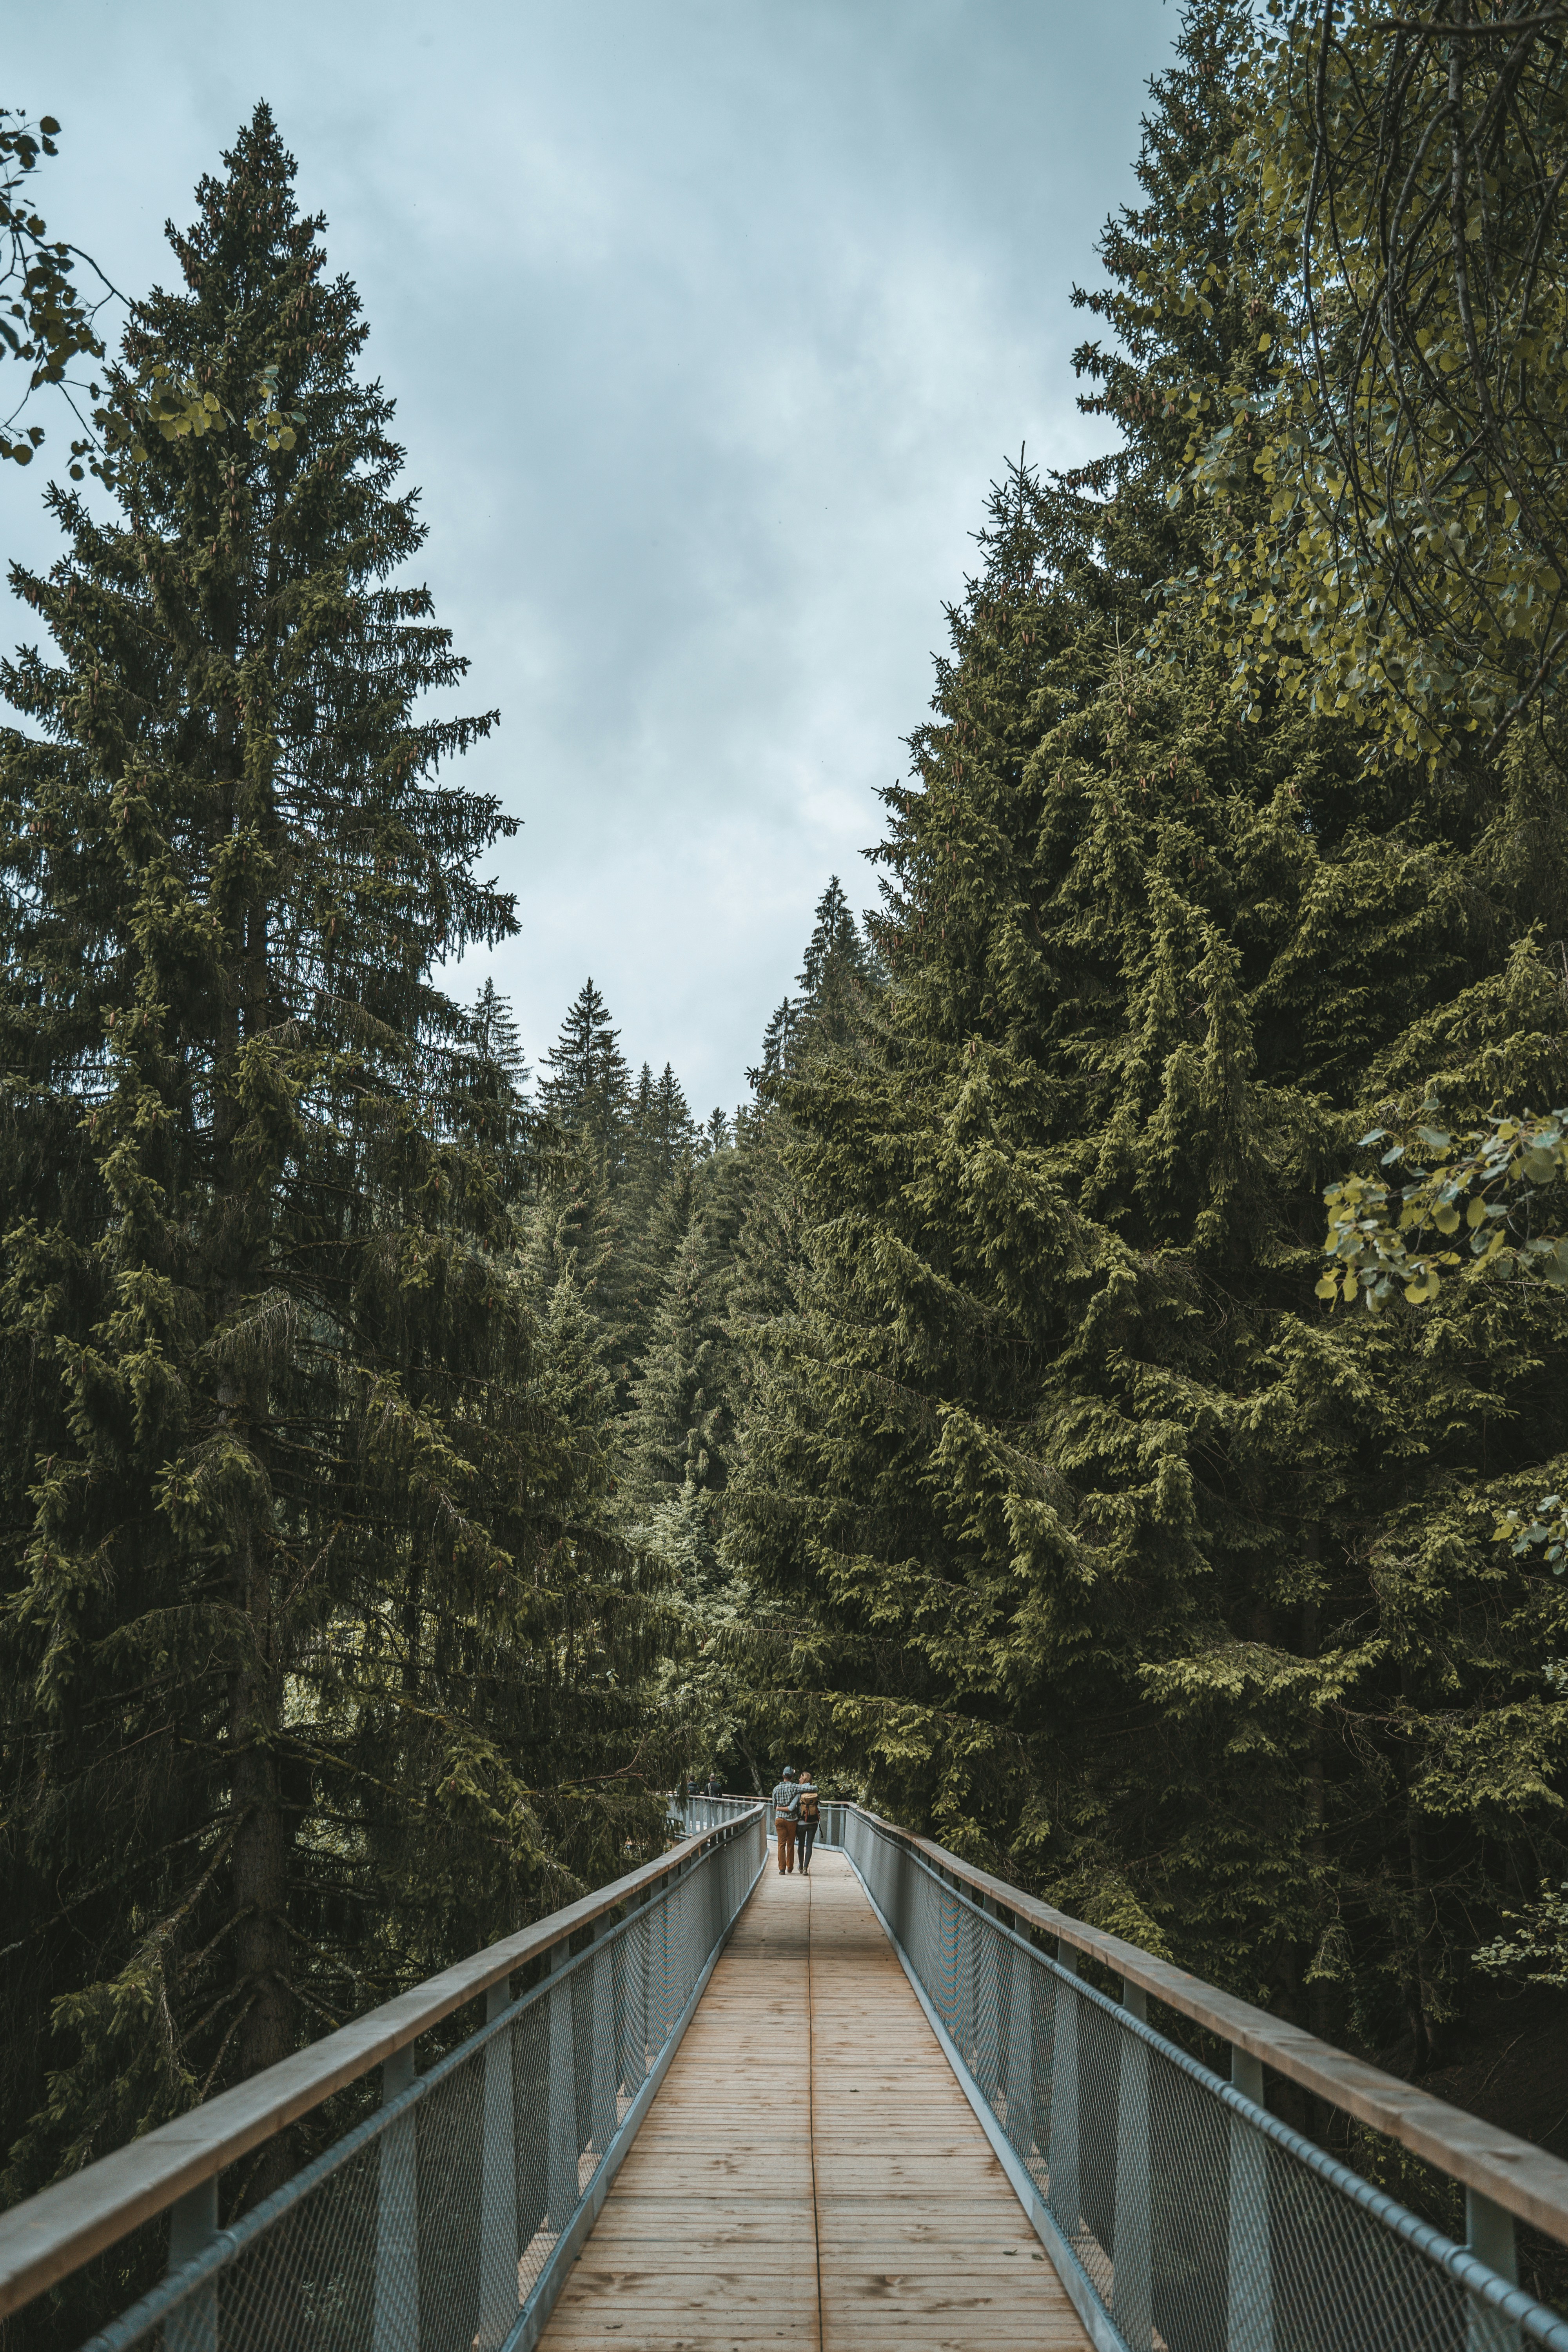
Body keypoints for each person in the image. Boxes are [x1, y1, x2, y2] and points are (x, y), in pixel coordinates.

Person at [769, 1765, 800, 1873]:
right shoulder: (794, 1787)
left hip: (780, 1820)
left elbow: (774, 1806)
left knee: (781, 1844)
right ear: (792, 1777)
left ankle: (782, 1869)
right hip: (792, 1820)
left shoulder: (776, 1789)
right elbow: (811, 1788)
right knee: (790, 1844)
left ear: (783, 1776)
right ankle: (790, 1867)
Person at [796, 1768, 820, 1875]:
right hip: (814, 1822)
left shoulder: (799, 1791)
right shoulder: (814, 1790)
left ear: (804, 1779)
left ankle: (801, 1867)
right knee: (809, 1845)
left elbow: (795, 1806)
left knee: (801, 1845)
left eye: (801, 1777)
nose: (799, 1779)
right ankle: (806, 1868)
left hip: (801, 1823)